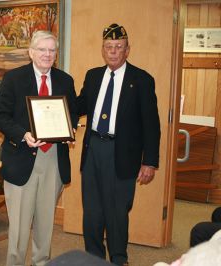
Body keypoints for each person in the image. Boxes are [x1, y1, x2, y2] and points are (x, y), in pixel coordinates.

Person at [76, 23, 161, 266]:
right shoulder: (93, 76)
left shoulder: (142, 80)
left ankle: (118, 259)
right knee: (92, 212)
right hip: (93, 149)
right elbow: (80, 106)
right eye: (108, 47)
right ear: (103, 49)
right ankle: (93, 258)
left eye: (118, 47)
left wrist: (150, 162)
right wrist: (55, 110)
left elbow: (151, 125)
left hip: (122, 153)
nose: (113, 51)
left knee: (117, 213)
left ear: (127, 50)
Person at [0, 30, 78, 266]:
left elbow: (70, 115)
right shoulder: (13, 79)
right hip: (21, 158)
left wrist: (69, 132)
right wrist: (23, 135)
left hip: (53, 160)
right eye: (42, 49)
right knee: (19, 228)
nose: (47, 55)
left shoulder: (65, 80)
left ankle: (42, 263)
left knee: (45, 223)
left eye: (52, 50)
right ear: (31, 52)